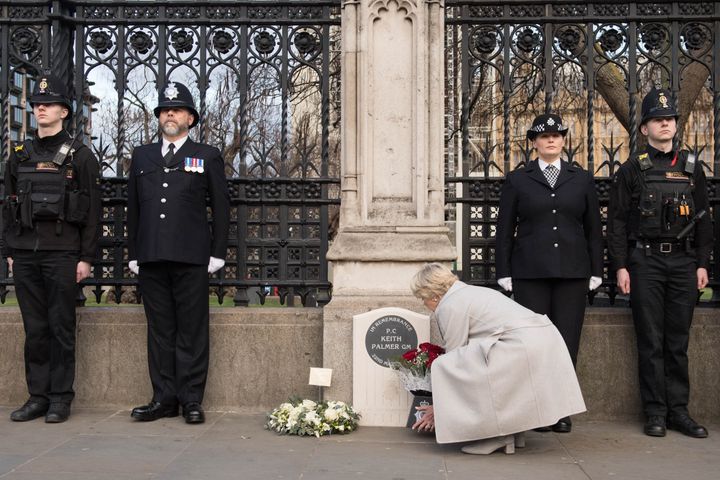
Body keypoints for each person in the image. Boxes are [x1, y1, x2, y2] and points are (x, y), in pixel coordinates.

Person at [608, 88, 712, 438]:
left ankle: (679, 412)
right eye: (657, 119)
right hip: (646, 263)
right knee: (650, 340)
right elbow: (618, 222)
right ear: (644, 129)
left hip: (683, 264)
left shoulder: (692, 167)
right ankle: (655, 412)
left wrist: (702, 263)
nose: (665, 124)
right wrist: (621, 266)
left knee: (677, 341)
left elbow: (703, 218)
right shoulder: (633, 170)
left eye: (669, 119)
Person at [127, 80, 230, 424]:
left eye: (177, 109)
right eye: (164, 110)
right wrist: (133, 252)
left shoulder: (206, 155)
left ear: (190, 117)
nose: (169, 114)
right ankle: (163, 399)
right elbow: (133, 210)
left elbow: (220, 206)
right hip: (152, 255)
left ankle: (191, 400)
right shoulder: (142, 156)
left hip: (191, 256)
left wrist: (217, 253)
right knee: (159, 332)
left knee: (191, 331)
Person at [1, 74, 101, 423]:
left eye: (48, 104)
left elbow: (92, 210)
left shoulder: (80, 156)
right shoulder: (19, 154)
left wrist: (86, 257)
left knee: (60, 326)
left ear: (64, 111)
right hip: (26, 253)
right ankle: (37, 396)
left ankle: (61, 397)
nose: (40, 108)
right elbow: (8, 206)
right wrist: (10, 252)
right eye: (36, 105)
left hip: (62, 253)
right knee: (35, 329)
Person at [495, 113, 603, 433]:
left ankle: (561, 409)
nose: (551, 140)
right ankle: (536, 408)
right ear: (535, 142)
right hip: (530, 273)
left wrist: (596, 270)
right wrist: (504, 271)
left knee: (566, 342)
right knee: (533, 343)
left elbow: (594, 229)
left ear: (563, 140)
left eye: (557, 135)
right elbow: (504, 230)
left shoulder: (580, 178)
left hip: (572, 273)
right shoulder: (519, 179)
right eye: (544, 136)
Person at [410, 263, 586, 454]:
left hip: (522, 344)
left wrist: (440, 407)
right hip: (543, 339)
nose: (424, 303)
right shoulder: (470, 292)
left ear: (432, 295)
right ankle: (513, 434)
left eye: (422, 298)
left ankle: (497, 436)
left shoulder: (449, 305)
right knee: (482, 367)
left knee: (447, 366)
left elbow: (454, 354)